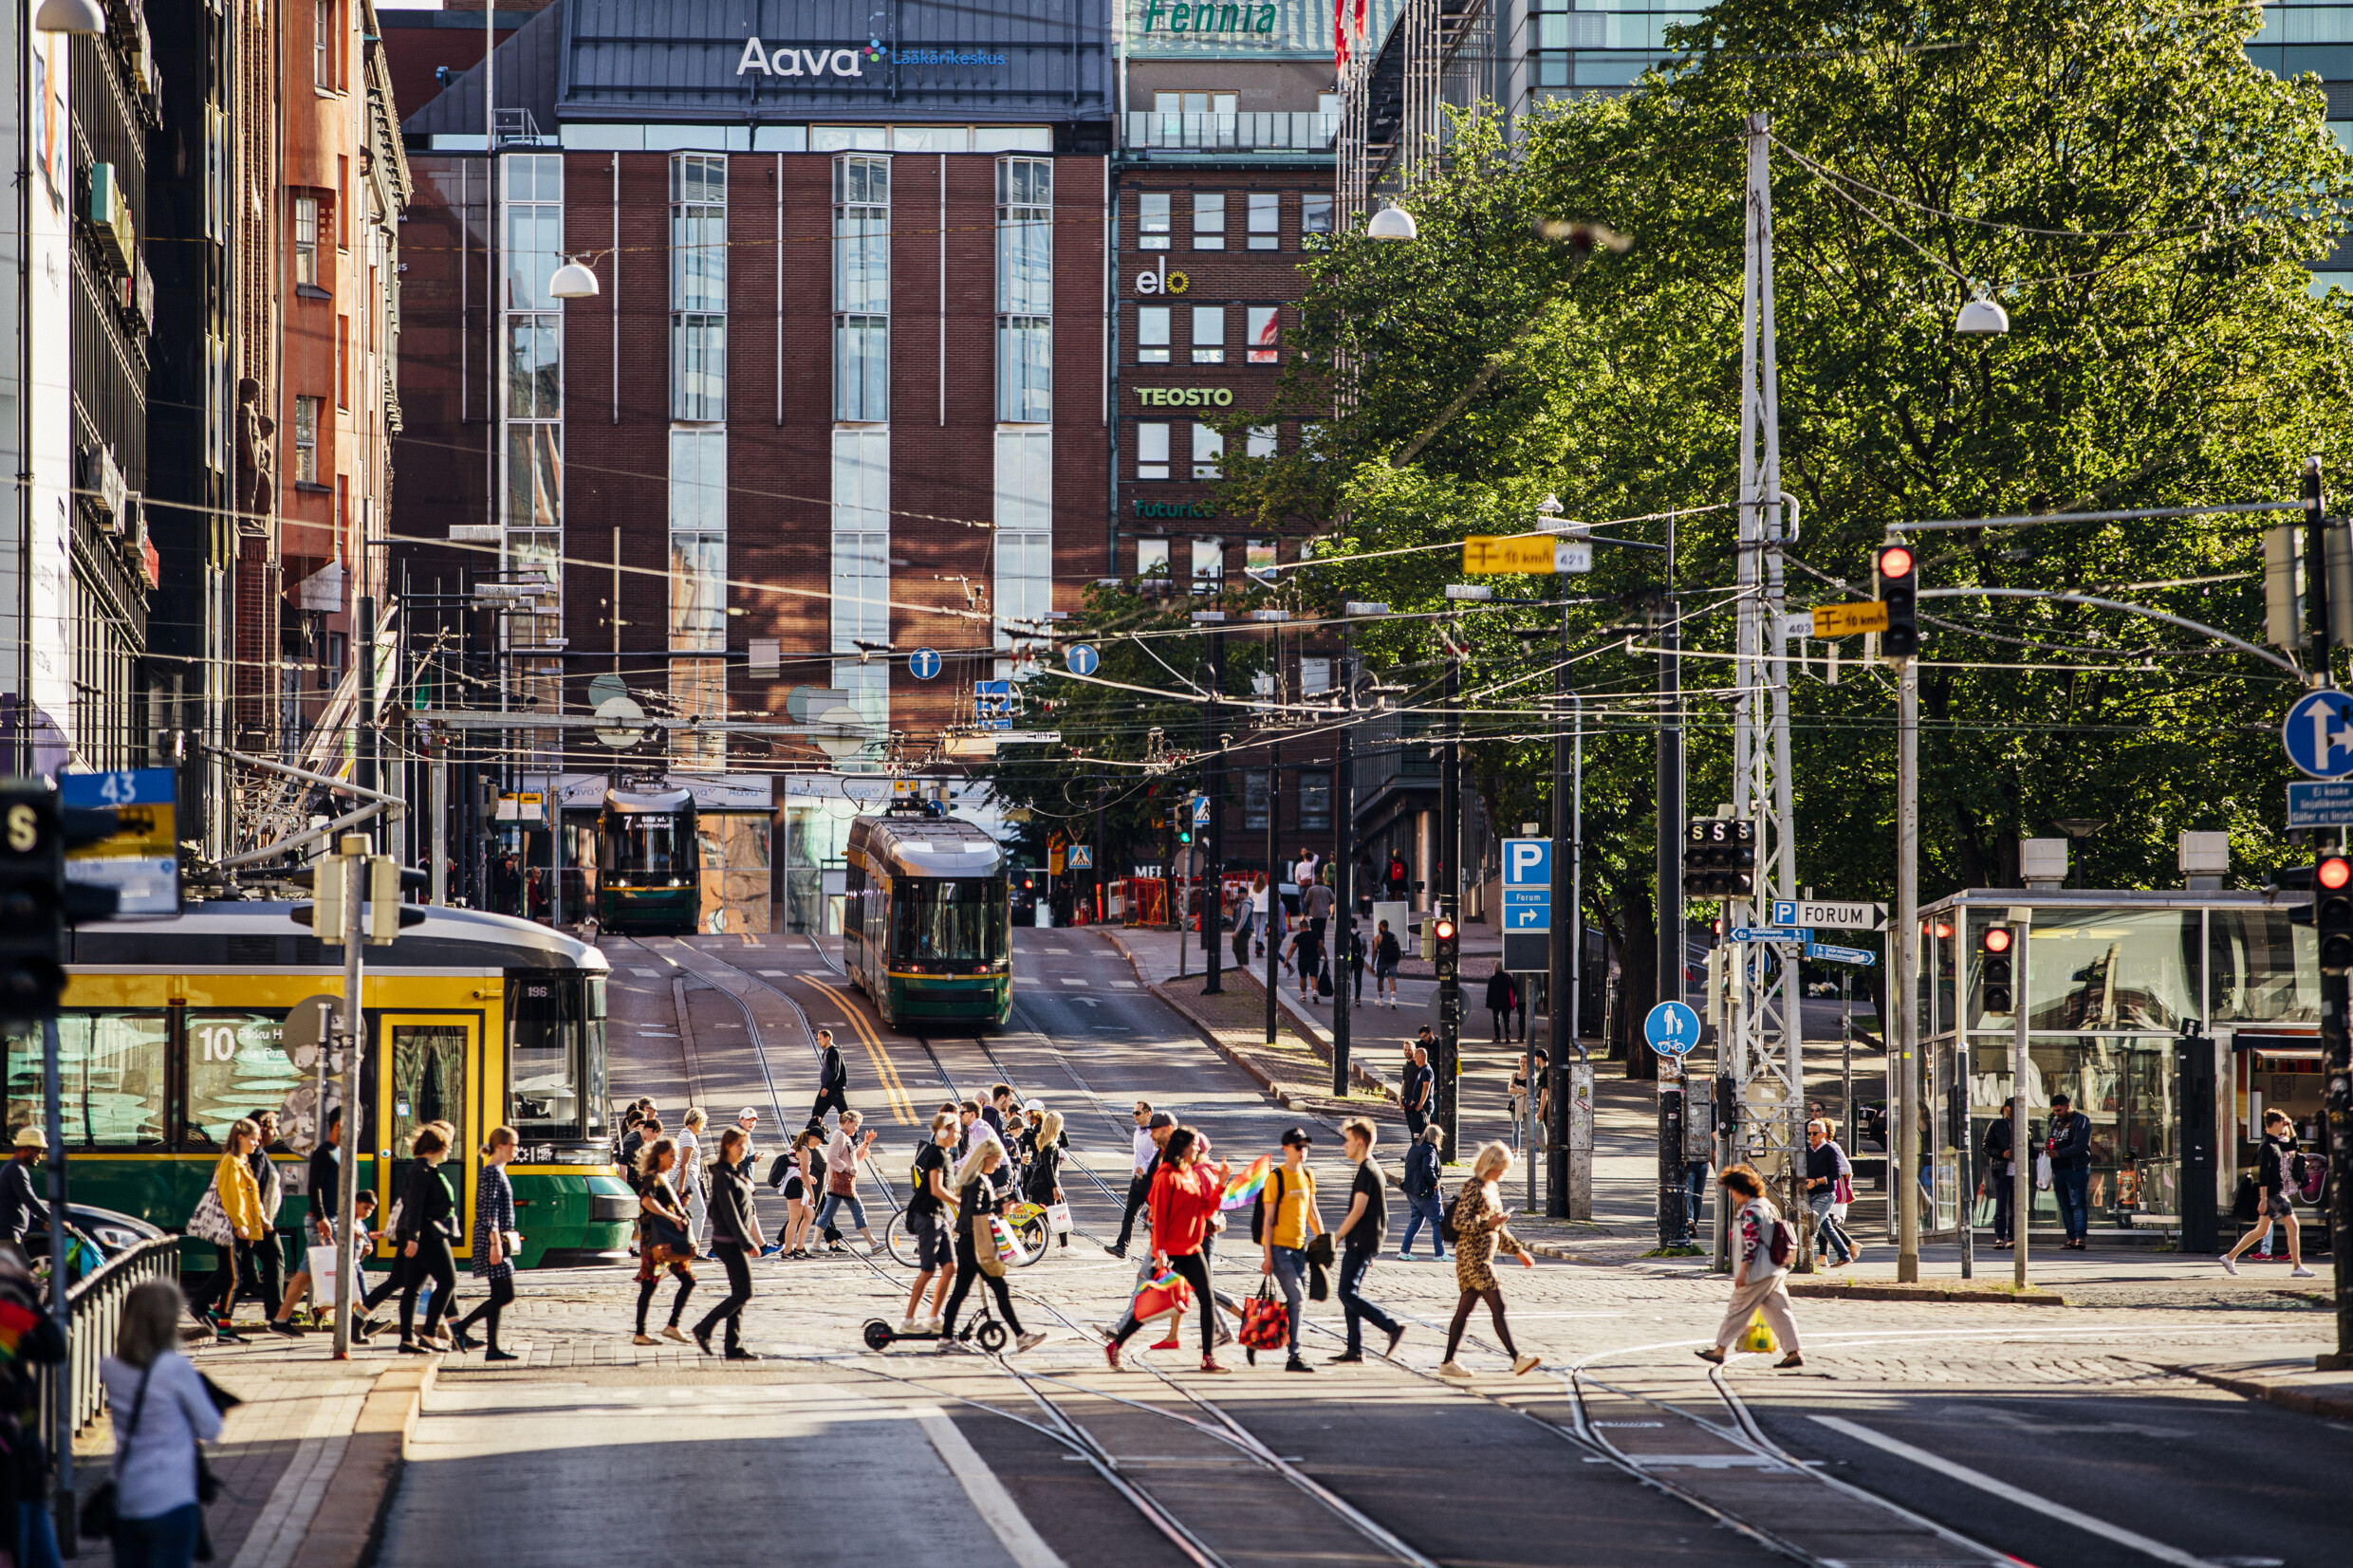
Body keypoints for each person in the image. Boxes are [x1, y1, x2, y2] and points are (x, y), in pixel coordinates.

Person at [100, 1279, 222, 1568]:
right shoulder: (175, 1368)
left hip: (127, 1494)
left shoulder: (109, 1367)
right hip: (172, 1495)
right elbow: (210, 1428)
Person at [1106, 1126, 1227, 1373]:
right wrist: (1159, 1253)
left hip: (1192, 1249)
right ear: (1182, 1147)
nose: (1198, 1150)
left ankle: (1208, 1358)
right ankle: (1116, 1344)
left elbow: (1204, 1208)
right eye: (1194, 1146)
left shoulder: (1189, 1173)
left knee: (1207, 1298)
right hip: (1171, 1252)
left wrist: (1222, 1183)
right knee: (1155, 1305)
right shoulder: (1166, 1175)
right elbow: (1158, 1217)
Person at [1437, 1142, 1540, 1379]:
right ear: (1490, 1165)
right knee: (1498, 1306)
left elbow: (1498, 1228)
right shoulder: (1474, 1186)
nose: (1503, 1174)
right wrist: (1487, 1224)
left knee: (1464, 1311)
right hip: (1473, 1258)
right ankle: (1517, 1358)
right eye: (1501, 1168)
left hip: (1483, 1256)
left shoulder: (1492, 1188)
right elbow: (1459, 1222)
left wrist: (1517, 1251)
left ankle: (1448, 1362)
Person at [937, 1142, 1046, 1355]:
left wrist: (1005, 1204)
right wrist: (1000, 1208)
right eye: (996, 1160)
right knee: (1000, 1289)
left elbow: (980, 1208)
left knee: (960, 1293)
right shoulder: (977, 1181)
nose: (998, 1166)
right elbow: (975, 1212)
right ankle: (1021, 1336)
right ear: (986, 1157)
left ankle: (945, 1338)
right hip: (975, 1243)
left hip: (969, 1243)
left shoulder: (977, 1180)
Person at [1696, 1162, 1804, 1369]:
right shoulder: (1767, 1205)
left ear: (1742, 1190)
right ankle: (1793, 1352)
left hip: (1757, 1271)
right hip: (1774, 1269)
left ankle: (1719, 1350)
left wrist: (1743, 1272)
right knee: (1780, 1312)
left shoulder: (1751, 1212)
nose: (1733, 1196)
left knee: (1737, 1310)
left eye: (1733, 1191)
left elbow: (1751, 1244)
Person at [1329, 1118, 1404, 1364]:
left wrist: (1338, 1236)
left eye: (1348, 1141)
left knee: (1346, 1293)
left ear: (1360, 1143)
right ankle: (1354, 1348)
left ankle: (1390, 1327)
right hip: (1368, 1241)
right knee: (1350, 1292)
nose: (1344, 1146)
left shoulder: (1366, 1171)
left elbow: (1358, 1210)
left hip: (1360, 1240)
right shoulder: (1373, 1168)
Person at [269, 1106, 348, 1337]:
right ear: (338, 1125)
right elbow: (314, 1186)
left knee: (310, 1272)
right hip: (323, 1219)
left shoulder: (338, 1151)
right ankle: (350, 1318)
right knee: (313, 1271)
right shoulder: (325, 1152)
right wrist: (321, 1215)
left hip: (331, 1217)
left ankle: (289, 1317)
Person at [187, 1119, 266, 1343]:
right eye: (253, 1138)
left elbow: (250, 1197)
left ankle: (215, 1317)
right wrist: (241, 1224)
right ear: (240, 1137)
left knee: (242, 1277)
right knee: (232, 1279)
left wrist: (253, 1226)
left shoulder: (243, 1161)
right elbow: (232, 1196)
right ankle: (223, 1329)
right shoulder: (231, 1162)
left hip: (239, 1228)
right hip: (229, 1228)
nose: (256, 1142)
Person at [691, 1125, 764, 1358]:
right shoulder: (723, 1175)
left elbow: (714, 1210)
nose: (744, 1149)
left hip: (731, 1240)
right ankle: (704, 1327)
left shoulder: (732, 1171)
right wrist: (747, 1242)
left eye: (745, 1145)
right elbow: (730, 1213)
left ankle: (733, 1346)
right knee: (745, 1292)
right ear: (727, 1147)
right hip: (729, 1242)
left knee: (739, 1292)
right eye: (739, 1145)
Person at [452, 1127, 522, 1360]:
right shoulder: (492, 1172)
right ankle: (460, 1328)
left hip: (496, 1239)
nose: (516, 1150)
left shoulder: (496, 1171)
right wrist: (495, 1243)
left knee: (498, 1293)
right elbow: (487, 1211)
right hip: (493, 1241)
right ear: (501, 1146)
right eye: (513, 1145)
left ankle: (492, 1348)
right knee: (505, 1295)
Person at [2221, 1110, 2318, 1278]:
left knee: (2262, 1231)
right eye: (2282, 1123)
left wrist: (2290, 1127)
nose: (2284, 1125)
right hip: (2274, 1193)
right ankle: (2297, 1267)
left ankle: (2229, 1257)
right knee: (2293, 1226)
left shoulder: (2274, 1142)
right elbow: (2264, 1174)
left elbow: (2293, 1146)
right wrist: (2264, 1199)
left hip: (2276, 1192)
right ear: (2275, 1123)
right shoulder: (2267, 1146)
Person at [1258, 1127, 1323, 1374]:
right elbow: (1268, 1219)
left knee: (1296, 1303)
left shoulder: (1308, 1175)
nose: (1303, 1151)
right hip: (1279, 1249)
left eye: (1306, 1146)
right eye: (1298, 1147)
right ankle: (1294, 1355)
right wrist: (1267, 1257)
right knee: (1297, 1299)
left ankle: (1273, 1339)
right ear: (1286, 1149)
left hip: (1299, 1250)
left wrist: (1324, 1241)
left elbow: (1312, 1212)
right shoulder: (1276, 1178)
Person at [396, 1124, 462, 1354]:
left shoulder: (425, 1169)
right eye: (447, 1146)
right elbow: (414, 1207)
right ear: (436, 1147)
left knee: (412, 1287)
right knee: (448, 1281)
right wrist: (413, 1238)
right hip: (427, 1233)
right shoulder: (422, 1172)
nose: (450, 1150)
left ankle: (407, 1339)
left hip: (420, 1232)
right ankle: (429, 1333)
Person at [632, 1135, 696, 1344]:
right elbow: (647, 1200)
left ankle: (671, 1326)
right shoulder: (654, 1177)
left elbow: (662, 1204)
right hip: (656, 1242)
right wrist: (671, 1216)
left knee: (687, 1281)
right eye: (672, 1155)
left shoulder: (663, 1178)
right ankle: (641, 1333)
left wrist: (681, 1204)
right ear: (660, 1155)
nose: (675, 1159)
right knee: (649, 1284)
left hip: (667, 1241)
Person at [899, 1116, 960, 1333]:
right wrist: (959, 1202)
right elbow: (935, 1189)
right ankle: (909, 1320)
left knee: (950, 1267)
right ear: (943, 1132)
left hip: (939, 1216)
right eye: (956, 1131)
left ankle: (934, 1317)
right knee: (927, 1270)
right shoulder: (936, 1155)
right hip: (927, 1216)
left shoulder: (945, 1155)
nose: (959, 1135)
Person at [1108, 1105, 1166, 1259]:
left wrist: (1144, 1168)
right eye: (1133, 1112)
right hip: (1137, 1180)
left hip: (1150, 1181)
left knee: (1157, 1215)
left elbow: (1156, 1154)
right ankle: (1122, 1246)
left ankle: (1163, 1246)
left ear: (1148, 1114)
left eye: (1137, 1113)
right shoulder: (1137, 1131)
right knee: (1129, 1214)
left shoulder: (1154, 1133)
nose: (1134, 1115)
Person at [818, 1110, 880, 1252]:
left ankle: (815, 1245)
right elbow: (832, 1157)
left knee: (827, 1215)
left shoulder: (845, 1136)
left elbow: (854, 1157)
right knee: (858, 1210)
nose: (857, 1128)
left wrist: (866, 1143)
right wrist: (847, 1169)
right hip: (842, 1181)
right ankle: (873, 1243)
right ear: (847, 1122)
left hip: (840, 1183)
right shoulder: (839, 1135)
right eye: (856, 1125)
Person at [1802, 1119, 1857, 1267]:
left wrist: (1817, 1181)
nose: (1811, 1136)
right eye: (1809, 1133)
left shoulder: (1830, 1150)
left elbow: (1836, 1173)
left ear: (1824, 1134)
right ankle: (1844, 1255)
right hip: (1811, 1193)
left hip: (1825, 1194)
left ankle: (1803, 1261)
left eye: (1815, 1133)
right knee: (1826, 1227)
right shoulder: (1808, 1151)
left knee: (1811, 1224)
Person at [2046, 1092, 2093, 1249]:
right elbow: (2050, 1139)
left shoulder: (2081, 1120)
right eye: (2054, 1111)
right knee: (2064, 1205)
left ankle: (2080, 1237)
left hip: (2076, 1167)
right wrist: (2048, 1148)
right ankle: (2071, 1237)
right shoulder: (2054, 1122)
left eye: (2059, 1110)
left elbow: (2080, 1145)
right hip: (2059, 1168)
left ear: (2067, 1106)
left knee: (2077, 1202)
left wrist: (2059, 1153)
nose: (2056, 1114)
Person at [1399, 1124, 1447, 1260]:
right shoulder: (1429, 1150)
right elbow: (1427, 1169)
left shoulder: (1415, 1147)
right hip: (1424, 1191)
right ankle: (1440, 1253)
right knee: (1438, 1220)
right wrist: (1435, 1183)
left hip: (1411, 1190)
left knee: (1416, 1220)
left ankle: (1404, 1251)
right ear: (1436, 1138)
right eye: (1440, 1138)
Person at [1026, 1110, 1068, 1249]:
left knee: (1046, 1214)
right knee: (1056, 1212)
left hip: (1040, 1184)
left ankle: (1064, 1245)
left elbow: (1066, 1142)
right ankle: (1064, 1246)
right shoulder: (1049, 1145)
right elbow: (1048, 1167)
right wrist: (1055, 1186)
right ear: (1056, 1125)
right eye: (1060, 1125)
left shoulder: (1048, 1142)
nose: (1062, 1127)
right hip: (1044, 1185)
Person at [1, 1126, 48, 1249]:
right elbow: (30, 1200)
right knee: (23, 1266)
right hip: (9, 1234)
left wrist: (41, 1223)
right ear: (27, 1149)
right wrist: (53, 1220)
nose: (40, 1157)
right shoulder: (16, 1170)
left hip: (10, 1233)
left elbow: (22, 1205)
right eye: (38, 1151)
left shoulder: (15, 1168)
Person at [1983, 1098, 2017, 1249]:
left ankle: (2013, 1237)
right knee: (2001, 1205)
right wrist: (2001, 1153)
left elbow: (2029, 1146)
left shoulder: (2024, 1126)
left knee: (2016, 1207)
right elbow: (1986, 1146)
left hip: (2018, 1171)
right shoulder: (1996, 1125)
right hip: (2001, 1170)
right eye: (2012, 1107)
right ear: (2005, 1109)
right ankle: (1999, 1237)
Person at [677, 1108, 710, 1257]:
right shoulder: (688, 1138)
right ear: (697, 1122)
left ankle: (687, 1246)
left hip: (688, 1177)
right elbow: (684, 1165)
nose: (703, 1127)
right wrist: (681, 1187)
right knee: (700, 1211)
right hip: (687, 1178)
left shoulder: (686, 1135)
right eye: (702, 1123)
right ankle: (694, 1250)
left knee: (688, 1213)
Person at [810, 1028, 849, 1126]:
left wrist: (827, 1087)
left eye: (820, 1039)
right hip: (827, 1088)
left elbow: (836, 1072)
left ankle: (854, 1137)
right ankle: (808, 1134)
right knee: (817, 1112)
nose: (818, 1041)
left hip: (834, 1089)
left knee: (844, 1114)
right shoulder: (827, 1052)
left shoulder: (834, 1052)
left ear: (827, 1038)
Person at [1403, 1044, 1435, 1139]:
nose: (1415, 1059)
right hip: (1417, 1105)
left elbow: (1426, 1087)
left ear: (1421, 1057)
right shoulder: (1421, 1070)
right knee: (1415, 1132)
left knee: (1422, 1133)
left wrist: (1421, 1103)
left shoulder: (1426, 1070)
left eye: (1416, 1057)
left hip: (1423, 1107)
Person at [1486, 964, 1519, 1043]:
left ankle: (1497, 1038)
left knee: (1496, 1019)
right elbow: (1514, 990)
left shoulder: (1493, 979)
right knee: (1507, 1020)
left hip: (1496, 1002)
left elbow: (1489, 992)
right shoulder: (1508, 978)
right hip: (1506, 1002)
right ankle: (1508, 1036)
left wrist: (1488, 1003)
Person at [1374, 921, 1401, 1007]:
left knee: (1380, 979)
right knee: (1392, 979)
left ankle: (1381, 999)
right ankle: (1393, 999)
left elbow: (1375, 951)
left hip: (1382, 960)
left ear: (1381, 926)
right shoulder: (1394, 936)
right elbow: (1399, 950)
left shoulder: (1378, 937)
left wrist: (1372, 963)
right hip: (1392, 961)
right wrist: (1397, 961)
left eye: (1379, 926)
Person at [1345, 921, 1366, 1005]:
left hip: (1349, 959)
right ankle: (1357, 999)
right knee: (1358, 980)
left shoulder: (1346, 934)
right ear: (1357, 925)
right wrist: (1361, 956)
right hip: (1358, 959)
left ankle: (1347, 997)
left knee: (1348, 979)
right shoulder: (1362, 935)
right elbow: (1366, 949)